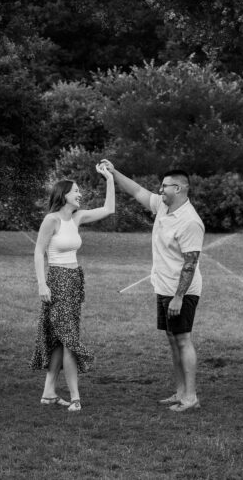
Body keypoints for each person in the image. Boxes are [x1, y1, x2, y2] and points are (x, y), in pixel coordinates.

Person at [97, 160, 204, 412]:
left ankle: (191, 397)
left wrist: (179, 297)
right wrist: (113, 172)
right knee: (172, 338)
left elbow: (191, 263)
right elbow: (135, 190)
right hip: (163, 287)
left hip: (182, 291)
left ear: (178, 189)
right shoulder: (162, 206)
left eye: (165, 186)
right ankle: (180, 392)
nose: (160, 190)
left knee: (183, 340)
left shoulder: (190, 221)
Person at [30, 164, 115, 413]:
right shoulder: (51, 220)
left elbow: (109, 209)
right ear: (64, 195)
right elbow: (38, 252)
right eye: (76, 191)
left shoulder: (77, 217)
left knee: (60, 337)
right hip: (57, 280)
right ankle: (75, 397)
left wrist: (109, 178)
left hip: (75, 280)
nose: (80, 194)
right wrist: (42, 283)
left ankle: (48, 393)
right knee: (68, 339)